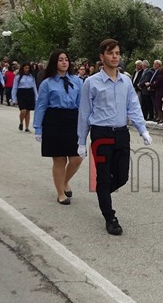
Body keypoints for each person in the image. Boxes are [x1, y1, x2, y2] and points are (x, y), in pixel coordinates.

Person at [77, 39, 151, 236]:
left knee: (122, 176)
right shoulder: (91, 82)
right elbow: (84, 113)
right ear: (102, 57)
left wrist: (142, 129)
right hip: (101, 134)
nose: (115, 56)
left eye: (117, 53)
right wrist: (81, 141)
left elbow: (133, 106)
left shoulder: (126, 81)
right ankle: (110, 217)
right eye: (110, 53)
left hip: (121, 133)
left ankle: (102, 194)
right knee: (103, 176)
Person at [34, 50, 84, 205]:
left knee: (77, 158)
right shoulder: (47, 83)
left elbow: (83, 104)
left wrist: (85, 124)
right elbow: (41, 105)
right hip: (54, 120)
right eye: (60, 59)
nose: (64, 62)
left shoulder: (77, 81)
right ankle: (61, 193)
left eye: (66, 59)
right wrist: (38, 127)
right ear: (54, 62)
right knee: (59, 159)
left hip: (72, 119)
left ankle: (65, 181)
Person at [12, 62, 38, 133]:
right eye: (25, 68)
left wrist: (36, 97)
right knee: (23, 110)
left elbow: (34, 87)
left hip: (30, 93)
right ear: (22, 68)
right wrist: (14, 98)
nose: (27, 69)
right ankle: (21, 122)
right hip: (21, 93)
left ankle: (27, 127)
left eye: (28, 68)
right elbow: (14, 87)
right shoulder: (18, 77)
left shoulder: (31, 77)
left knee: (28, 111)